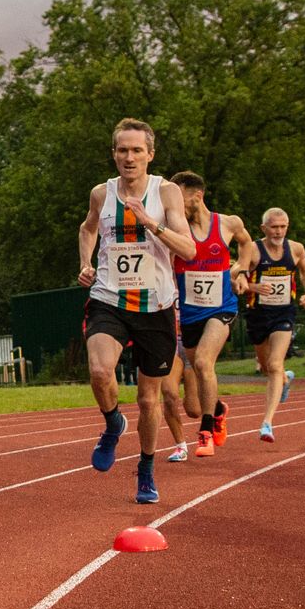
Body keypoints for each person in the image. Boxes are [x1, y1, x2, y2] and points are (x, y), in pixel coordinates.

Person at [77, 118, 197, 504]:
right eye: (122, 150)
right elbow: (87, 228)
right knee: (100, 371)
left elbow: (189, 249)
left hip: (156, 306)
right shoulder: (101, 193)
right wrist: (86, 262)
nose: (129, 157)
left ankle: (146, 467)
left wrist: (150, 224)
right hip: (109, 298)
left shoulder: (167, 193)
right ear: (114, 154)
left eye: (136, 150)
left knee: (148, 401)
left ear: (150, 154)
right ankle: (113, 422)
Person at [167, 172, 252, 457]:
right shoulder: (177, 233)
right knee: (201, 371)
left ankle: (205, 432)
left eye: (179, 199)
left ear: (197, 196)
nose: (174, 207)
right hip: (190, 314)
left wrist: (241, 270)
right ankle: (217, 409)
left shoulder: (228, 223)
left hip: (222, 308)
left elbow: (246, 243)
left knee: (203, 362)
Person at [239, 207, 305, 442]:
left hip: (284, 313)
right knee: (266, 367)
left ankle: (267, 423)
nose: (279, 231)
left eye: (283, 227)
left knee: (274, 364)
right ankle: (285, 380)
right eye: (274, 227)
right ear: (264, 228)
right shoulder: (253, 250)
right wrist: (252, 286)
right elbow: (234, 277)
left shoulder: (296, 248)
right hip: (258, 315)